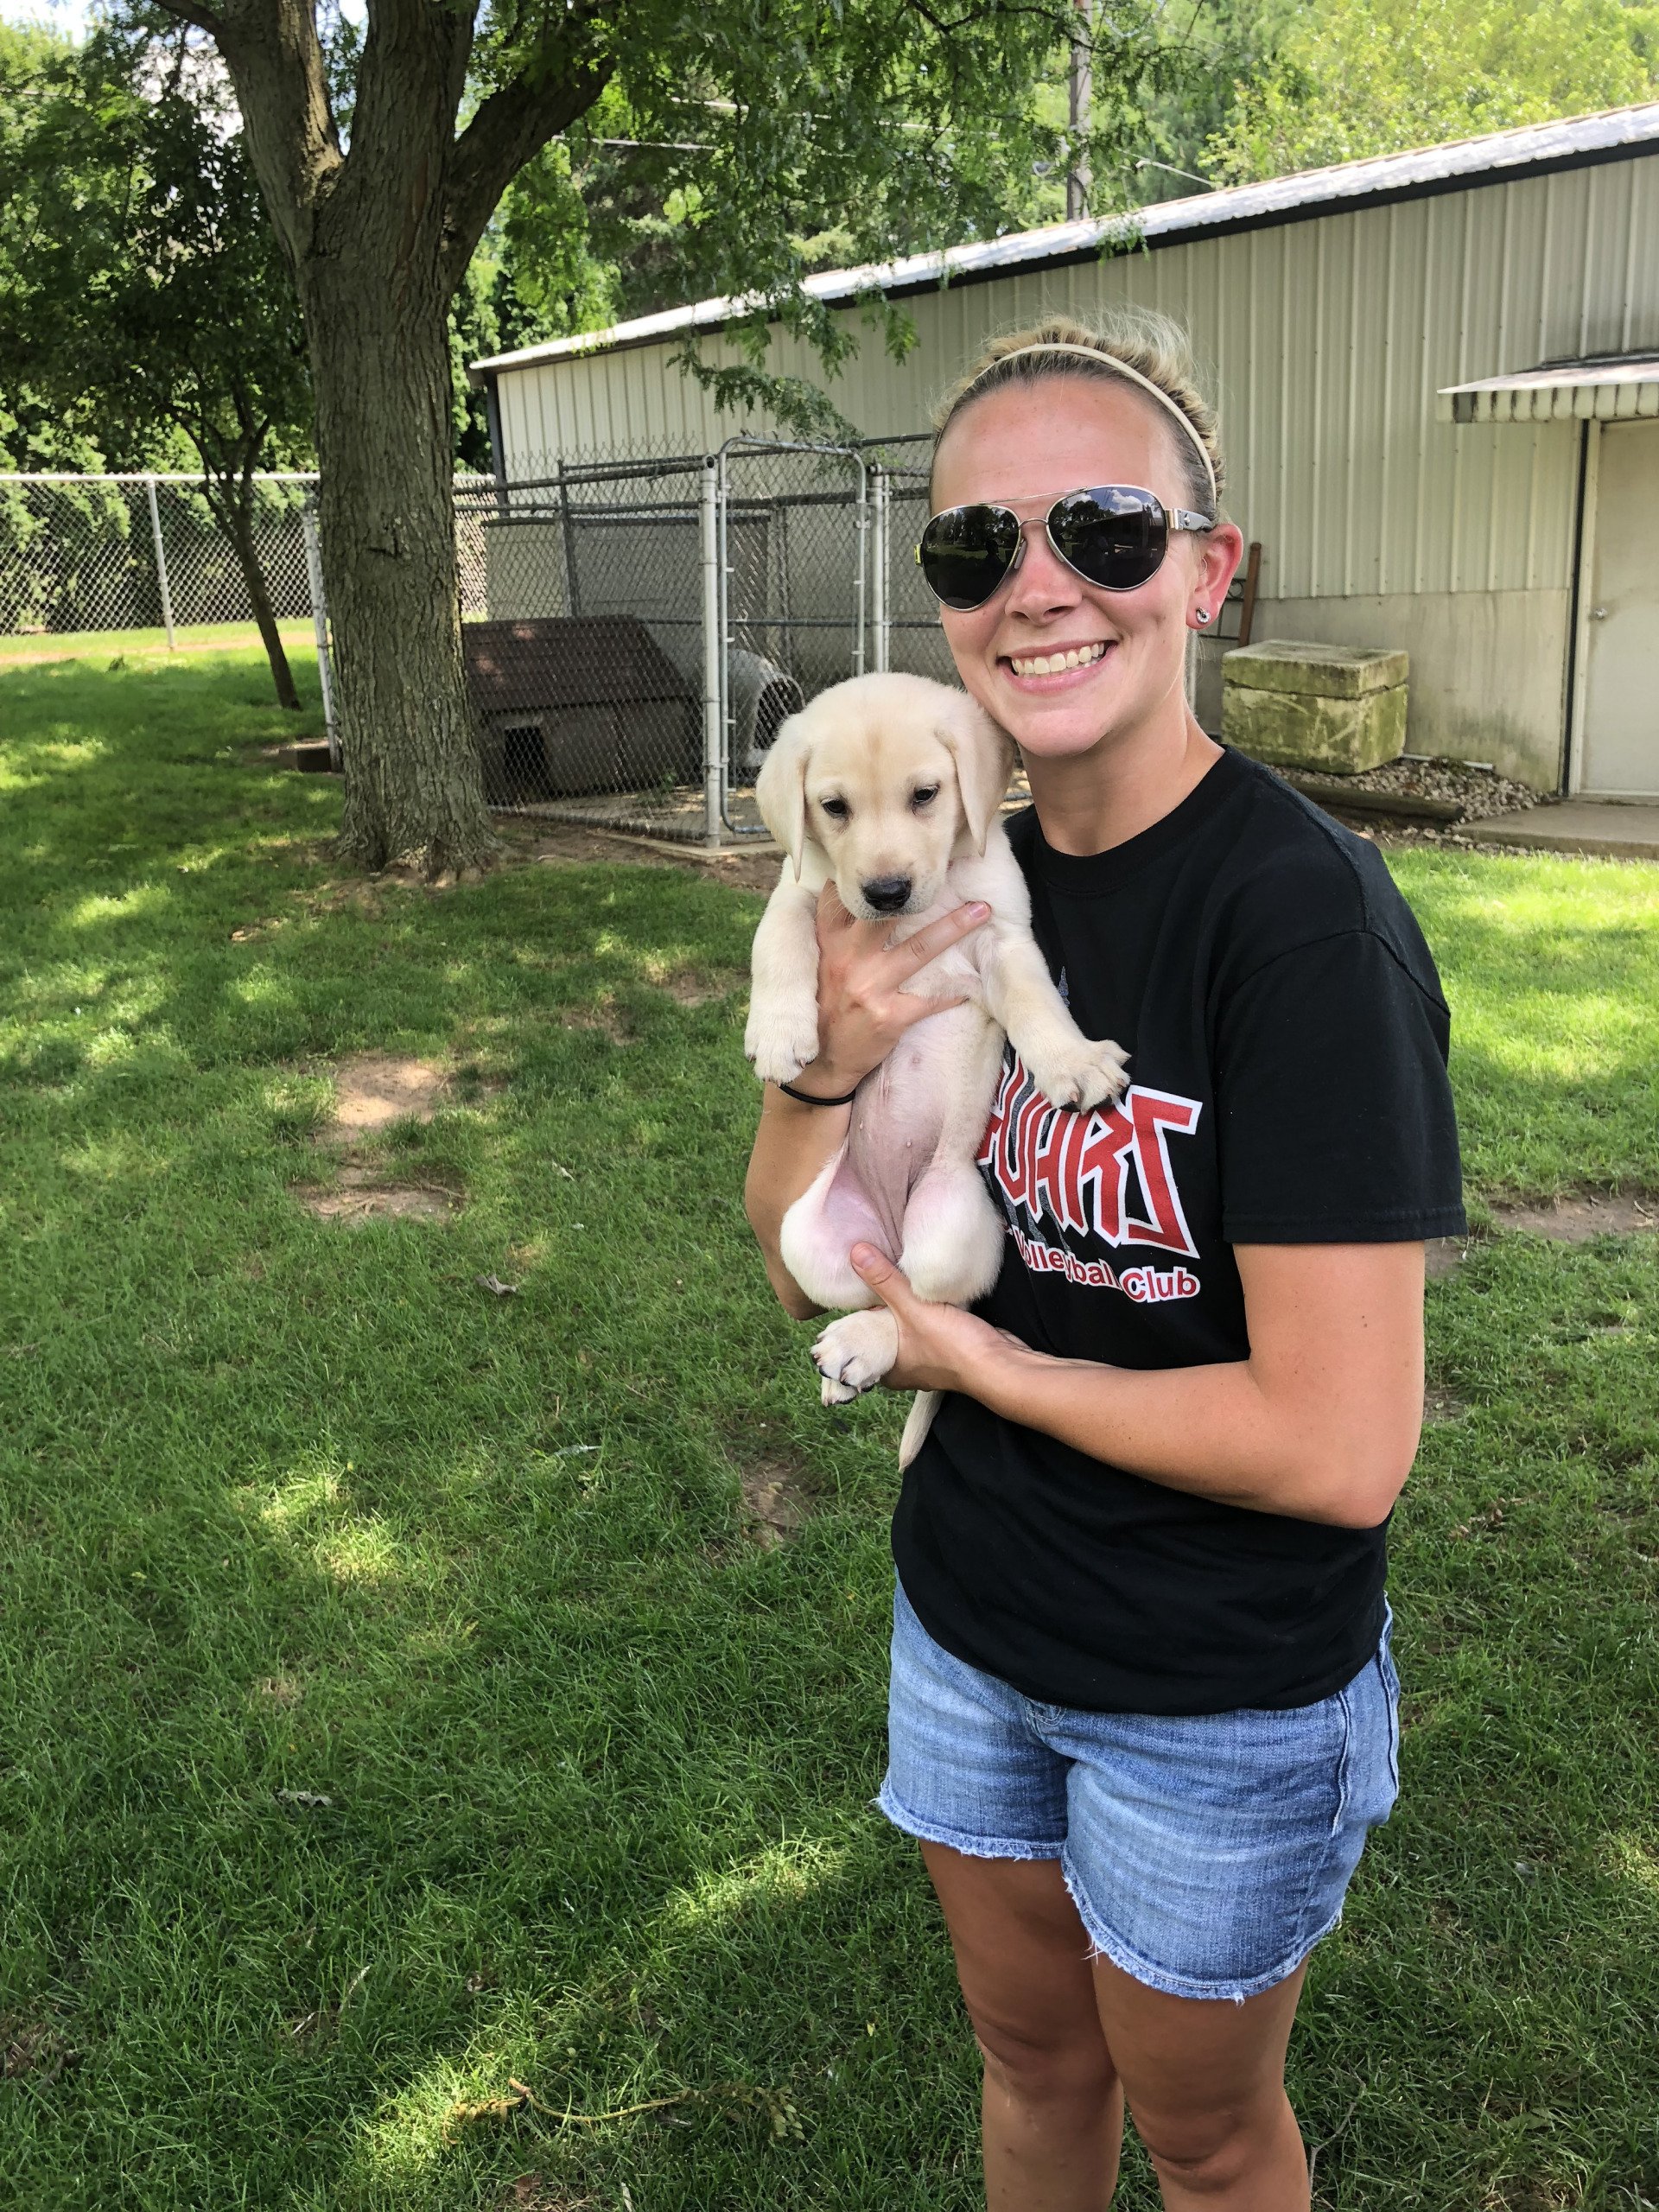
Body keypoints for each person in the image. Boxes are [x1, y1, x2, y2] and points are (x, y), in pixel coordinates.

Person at [744, 311, 1465, 2212]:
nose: (1039, 584)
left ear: (1208, 573)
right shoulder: (941, 872)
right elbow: (788, 1246)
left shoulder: (1301, 927)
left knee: (1209, 2135)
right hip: (971, 1616)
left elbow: (1339, 1447)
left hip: (1214, 1685)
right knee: (1029, 2061)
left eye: (1110, 527)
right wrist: (823, 1057)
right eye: (979, 547)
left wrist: (969, 1368)